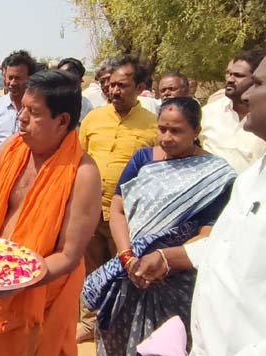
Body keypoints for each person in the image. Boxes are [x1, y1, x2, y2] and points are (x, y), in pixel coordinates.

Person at [0, 70, 102, 356]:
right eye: (22, 108)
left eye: (33, 112)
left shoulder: (83, 174)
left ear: (62, 121)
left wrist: (17, 278)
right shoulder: (13, 147)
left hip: (41, 301)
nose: (21, 117)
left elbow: (69, 255)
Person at [81, 98, 236, 356]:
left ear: (196, 131)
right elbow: (118, 210)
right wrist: (128, 257)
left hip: (178, 279)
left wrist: (165, 261)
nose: (166, 137)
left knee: (169, 344)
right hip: (132, 271)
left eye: (176, 131)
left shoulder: (215, 176)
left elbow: (208, 233)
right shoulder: (143, 159)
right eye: (162, 129)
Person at [185, 55, 266, 355]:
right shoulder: (250, 179)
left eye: (258, 83)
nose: (245, 95)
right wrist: (170, 258)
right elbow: (230, 246)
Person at [78, 54, 158, 342]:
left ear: (139, 87)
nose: (114, 90)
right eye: (111, 85)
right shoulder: (93, 119)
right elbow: (78, 159)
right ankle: (88, 322)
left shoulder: (153, 125)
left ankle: (115, 328)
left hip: (127, 216)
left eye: (122, 85)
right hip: (90, 210)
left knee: (123, 270)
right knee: (89, 267)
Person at [200, 49, 266, 173]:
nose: (230, 80)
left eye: (238, 75)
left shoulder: (262, 120)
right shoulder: (207, 113)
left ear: (255, 80)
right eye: (229, 74)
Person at [0, 50, 36, 172]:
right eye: (10, 78)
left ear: (30, 78)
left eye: (18, 78)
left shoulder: (38, 111)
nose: (13, 83)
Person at [57, 57, 94, 122]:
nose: (64, 79)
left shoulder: (86, 105)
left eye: (70, 74)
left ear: (80, 80)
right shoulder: (49, 101)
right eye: (60, 74)